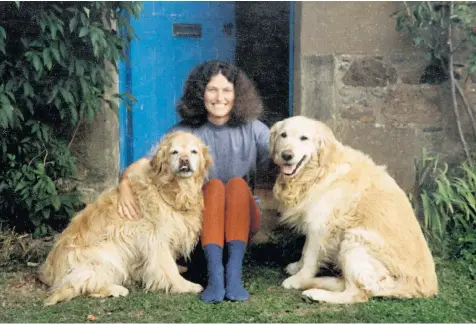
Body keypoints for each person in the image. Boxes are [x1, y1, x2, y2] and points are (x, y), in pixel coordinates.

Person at [117, 60, 271, 303]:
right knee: (214, 187)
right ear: (200, 93)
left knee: (237, 186)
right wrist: (124, 184)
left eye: (226, 90)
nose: (219, 97)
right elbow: (145, 164)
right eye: (212, 90)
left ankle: (233, 274)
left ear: (237, 95)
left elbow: (280, 154)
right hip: (203, 226)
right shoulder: (182, 133)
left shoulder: (253, 129)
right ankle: (215, 275)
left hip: (241, 222)